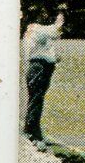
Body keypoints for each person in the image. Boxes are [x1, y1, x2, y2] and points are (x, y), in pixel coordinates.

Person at [21, 8, 64, 142]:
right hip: (39, 68)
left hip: (38, 67)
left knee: (36, 99)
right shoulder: (37, 29)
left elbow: (44, 48)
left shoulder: (33, 31)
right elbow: (56, 31)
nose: (45, 16)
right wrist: (61, 16)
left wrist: (53, 58)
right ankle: (32, 132)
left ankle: (34, 131)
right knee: (36, 100)